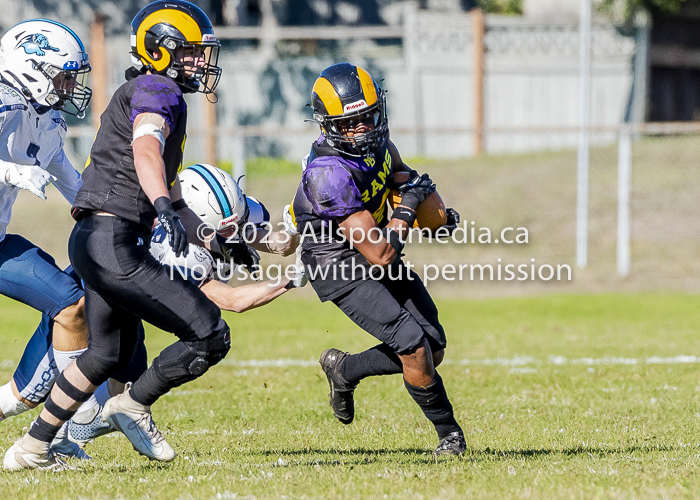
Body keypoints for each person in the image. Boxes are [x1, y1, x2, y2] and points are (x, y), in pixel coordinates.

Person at [3, 0, 256, 471]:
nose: (202, 62)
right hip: (113, 240)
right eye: (190, 52)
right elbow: (145, 149)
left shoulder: (130, 92)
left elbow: (92, 177)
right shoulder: (159, 89)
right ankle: (130, 404)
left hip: (96, 237)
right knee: (209, 334)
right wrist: (161, 204)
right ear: (161, 52)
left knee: (102, 354)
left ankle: (31, 448)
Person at [1, 164, 303, 452]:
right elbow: (232, 301)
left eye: (237, 223)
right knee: (22, 396)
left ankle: (72, 434)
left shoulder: (226, 212)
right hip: (80, 307)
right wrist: (293, 277)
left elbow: (267, 240)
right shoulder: (176, 250)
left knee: (126, 382)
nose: (235, 233)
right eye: (222, 231)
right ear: (192, 222)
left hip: (123, 307)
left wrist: (300, 230)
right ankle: (47, 439)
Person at [289, 63, 465, 456]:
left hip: (371, 246)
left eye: (367, 117)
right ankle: (450, 435)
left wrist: (432, 209)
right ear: (328, 126)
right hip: (338, 263)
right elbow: (381, 254)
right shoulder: (328, 173)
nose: (362, 129)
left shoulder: (381, 147)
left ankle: (344, 370)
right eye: (349, 124)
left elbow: (403, 177)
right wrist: (410, 207)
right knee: (412, 345)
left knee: (433, 345)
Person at [0, 19, 93, 455]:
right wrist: (11, 170)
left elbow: (72, 184)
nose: (70, 86)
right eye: (63, 75)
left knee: (72, 305)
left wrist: (117, 208)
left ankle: (53, 435)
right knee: (71, 305)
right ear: (32, 68)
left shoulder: (45, 117)